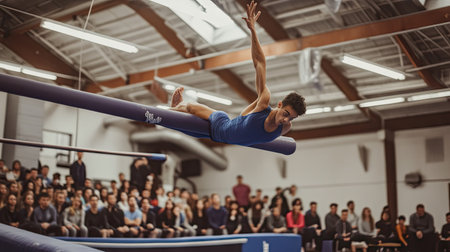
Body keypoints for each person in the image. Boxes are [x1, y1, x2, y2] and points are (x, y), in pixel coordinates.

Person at [169, 0, 306, 146]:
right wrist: (253, 30)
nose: (286, 120)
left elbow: (250, 131)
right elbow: (259, 62)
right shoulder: (263, 102)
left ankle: (177, 108)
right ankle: (177, 105)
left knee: (179, 127)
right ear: (279, 105)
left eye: (291, 118)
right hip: (219, 125)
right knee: (187, 109)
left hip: (217, 136)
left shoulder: (285, 128)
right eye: (286, 114)